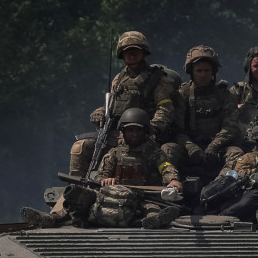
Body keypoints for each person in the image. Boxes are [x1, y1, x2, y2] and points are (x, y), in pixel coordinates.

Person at [24, 108, 181, 228]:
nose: (134, 134)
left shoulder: (154, 153)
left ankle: (154, 221)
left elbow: (166, 167)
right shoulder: (114, 153)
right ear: (123, 131)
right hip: (110, 195)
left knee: (151, 208)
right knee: (78, 197)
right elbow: (101, 175)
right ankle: (52, 218)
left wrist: (173, 181)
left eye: (138, 130)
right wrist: (105, 180)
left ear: (145, 131)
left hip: (141, 196)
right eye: (130, 130)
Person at [68, 31, 177, 177]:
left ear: (144, 53)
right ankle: (76, 187)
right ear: (122, 55)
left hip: (147, 135)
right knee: (80, 147)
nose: (131, 56)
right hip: (120, 134)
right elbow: (112, 105)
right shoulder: (119, 79)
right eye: (127, 52)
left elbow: (165, 110)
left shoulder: (158, 79)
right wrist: (100, 112)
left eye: (135, 52)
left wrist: (149, 130)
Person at [162, 45, 243, 184]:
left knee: (236, 153)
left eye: (207, 70)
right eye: (199, 71)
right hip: (189, 148)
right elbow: (177, 130)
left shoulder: (225, 96)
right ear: (191, 72)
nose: (203, 75)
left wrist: (214, 146)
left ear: (213, 71)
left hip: (218, 148)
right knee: (166, 150)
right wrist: (190, 146)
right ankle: (173, 183)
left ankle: (220, 185)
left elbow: (230, 127)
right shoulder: (182, 95)